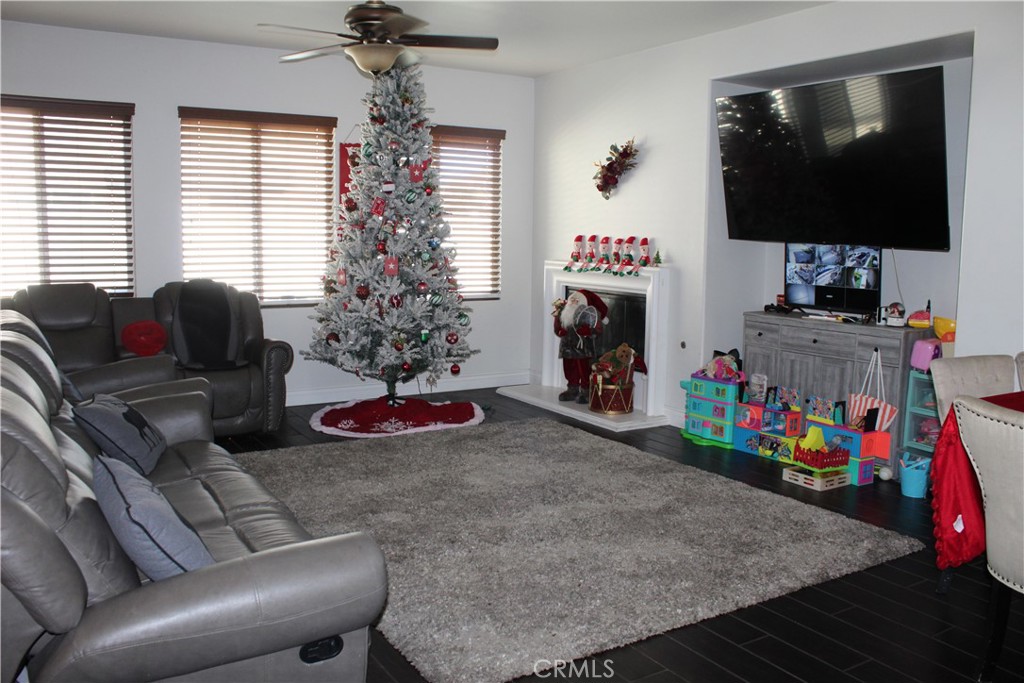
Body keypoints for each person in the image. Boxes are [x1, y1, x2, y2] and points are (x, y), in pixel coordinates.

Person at [552, 289, 608, 402]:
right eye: (572, 299)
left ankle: (586, 391)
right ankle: (572, 389)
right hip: (567, 347)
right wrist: (559, 331)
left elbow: (598, 330)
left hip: (583, 349)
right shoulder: (563, 311)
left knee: (584, 369)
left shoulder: (590, 313)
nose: (573, 302)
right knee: (569, 368)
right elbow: (557, 326)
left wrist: (589, 331)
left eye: (577, 300)